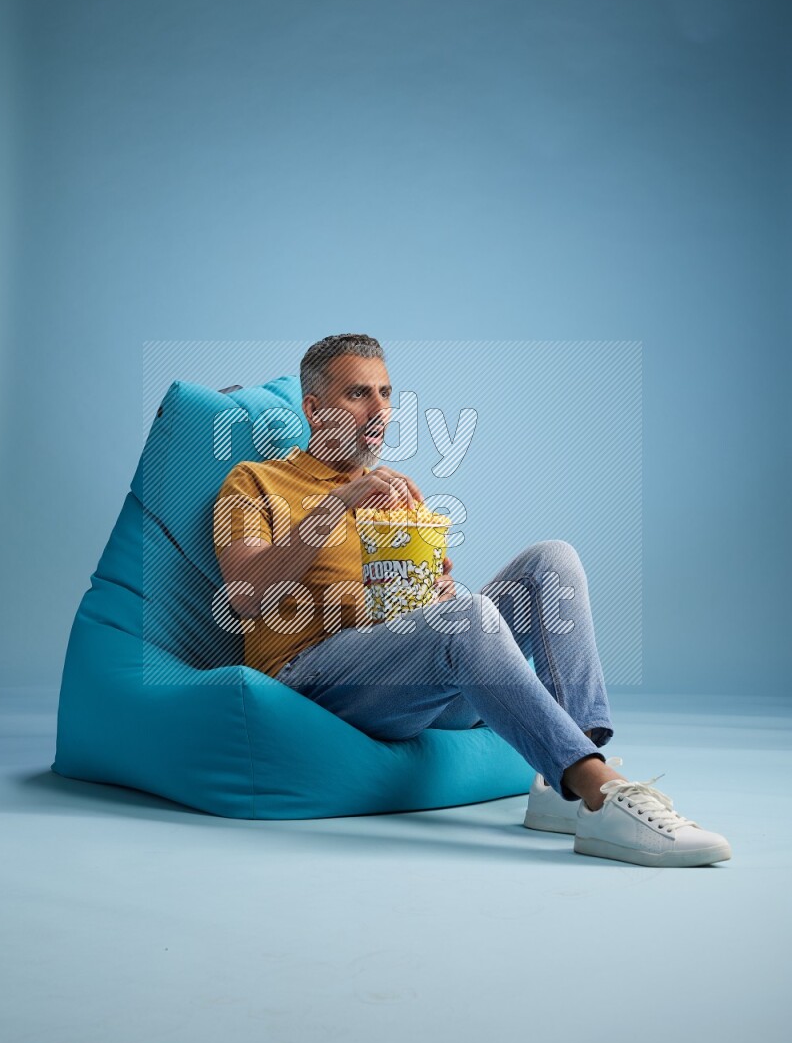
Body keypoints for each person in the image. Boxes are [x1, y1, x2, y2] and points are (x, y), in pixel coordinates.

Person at [213, 334, 732, 868]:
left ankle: (565, 783)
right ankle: (601, 791)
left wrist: (430, 599)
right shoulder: (253, 482)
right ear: (314, 409)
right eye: (358, 394)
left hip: (404, 685)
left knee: (550, 562)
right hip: (311, 682)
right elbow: (246, 595)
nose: (379, 410)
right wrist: (338, 502)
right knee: (466, 617)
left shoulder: (393, 493)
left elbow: (412, 618)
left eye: (386, 393)